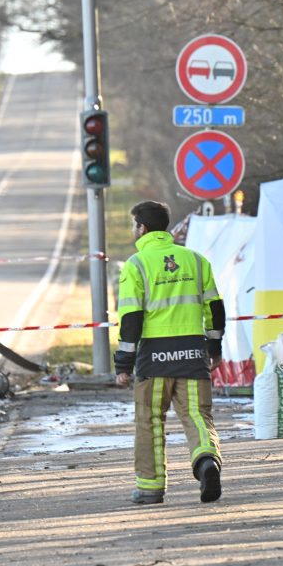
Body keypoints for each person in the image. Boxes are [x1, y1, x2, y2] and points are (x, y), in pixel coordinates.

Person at [114, 201, 225, 505]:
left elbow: (131, 320)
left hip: (154, 358)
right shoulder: (196, 260)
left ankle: (150, 487)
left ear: (142, 228)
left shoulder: (136, 265)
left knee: (149, 419)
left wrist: (123, 363)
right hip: (193, 353)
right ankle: (206, 463)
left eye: (134, 224)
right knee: (197, 415)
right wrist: (213, 347)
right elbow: (215, 308)